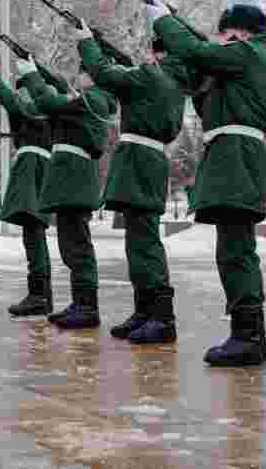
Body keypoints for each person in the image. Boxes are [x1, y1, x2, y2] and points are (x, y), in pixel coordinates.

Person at [147, 1, 266, 366]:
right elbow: (198, 82)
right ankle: (247, 334)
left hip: (236, 156)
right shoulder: (243, 63)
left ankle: (248, 338)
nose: (220, 40)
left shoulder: (249, 53)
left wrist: (165, 20)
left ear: (241, 33)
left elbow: (196, 51)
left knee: (236, 251)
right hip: (231, 155)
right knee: (234, 250)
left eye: (224, 33)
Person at [74, 19, 189, 343]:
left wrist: (86, 41)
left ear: (158, 55)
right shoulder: (172, 79)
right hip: (145, 159)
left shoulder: (154, 75)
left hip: (140, 160)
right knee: (138, 240)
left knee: (145, 241)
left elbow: (106, 74)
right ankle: (146, 311)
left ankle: (162, 317)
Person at [18, 55, 117, 329]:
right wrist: (39, 69)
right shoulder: (92, 100)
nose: (79, 77)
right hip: (71, 179)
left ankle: (86, 307)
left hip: (73, 179)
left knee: (77, 247)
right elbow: (61, 94)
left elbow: (50, 103)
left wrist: (31, 75)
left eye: (83, 72)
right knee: (72, 245)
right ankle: (81, 303)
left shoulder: (93, 99)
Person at [0, 67, 55, 316]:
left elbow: (15, 105)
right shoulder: (48, 112)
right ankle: (41, 295)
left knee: (33, 234)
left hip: (32, 168)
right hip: (36, 167)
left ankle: (39, 296)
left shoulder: (41, 110)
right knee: (33, 234)